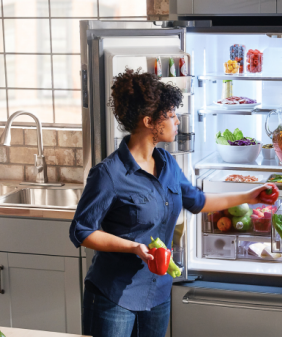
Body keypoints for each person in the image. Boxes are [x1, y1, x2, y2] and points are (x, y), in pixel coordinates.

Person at [69, 68, 271, 337]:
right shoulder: (109, 173)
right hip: (114, 296)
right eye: (172, 115)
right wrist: (134, 247)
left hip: (157, 293)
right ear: (149, 121)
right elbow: (82, 231)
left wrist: (250, 195)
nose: (177, 121)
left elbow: (198, 201)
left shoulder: (168, 165)